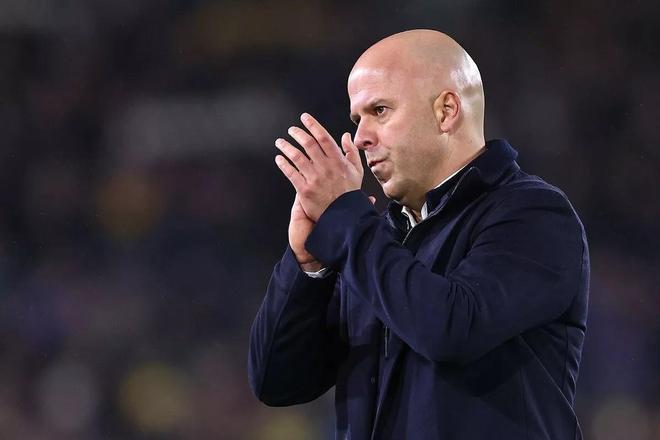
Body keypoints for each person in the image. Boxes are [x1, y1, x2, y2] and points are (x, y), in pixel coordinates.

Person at [248, 29, 589, 439]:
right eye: (357, 120)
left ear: (446, 111)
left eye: (380, 111)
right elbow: (277, 382)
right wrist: (308, 267)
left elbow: (453, 330)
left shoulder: (533, 213)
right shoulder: (376, 239)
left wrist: (347, 223)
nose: (361, 138)